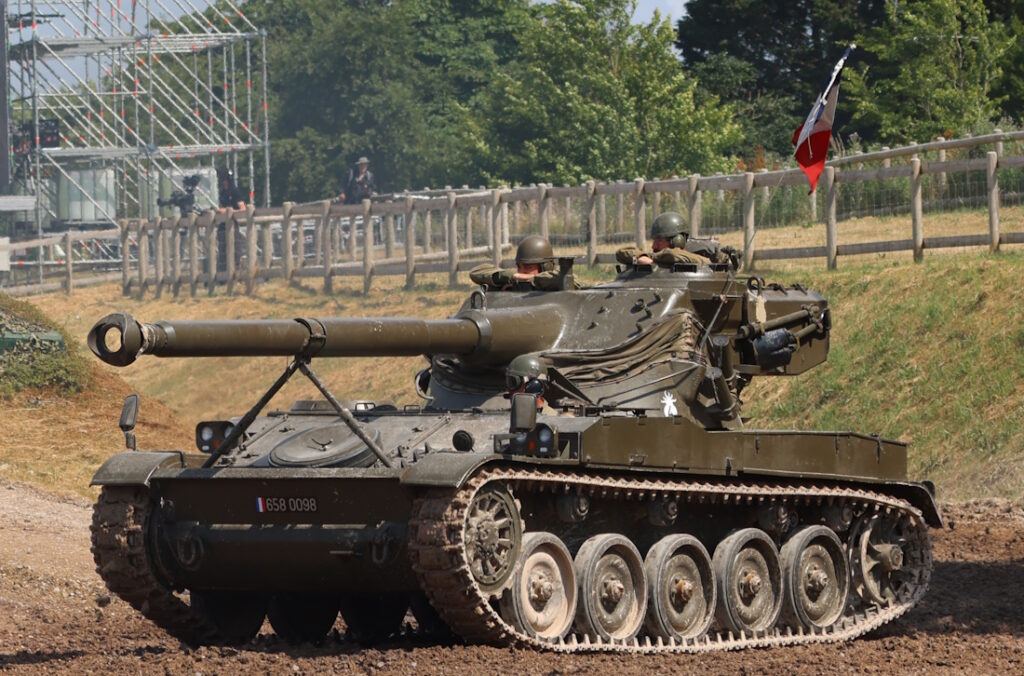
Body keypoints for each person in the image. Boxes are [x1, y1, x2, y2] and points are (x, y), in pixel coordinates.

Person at [470, 235, 572, 291]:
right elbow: (476, 272)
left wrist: (533, 281)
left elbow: (570, 280)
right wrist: (511, 276)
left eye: (528, 267)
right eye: (519, 267)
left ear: (545, 267)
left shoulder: (557, 282)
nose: (521, 272)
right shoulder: (515, 283)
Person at [615, 212, 706, 268]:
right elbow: (622, 252)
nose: (654, 246)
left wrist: (652, 260)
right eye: (654, 240)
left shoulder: (693, 256)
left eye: (659, 240)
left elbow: (672, 254)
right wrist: (641, 257)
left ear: (677, 241)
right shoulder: (661, 257)